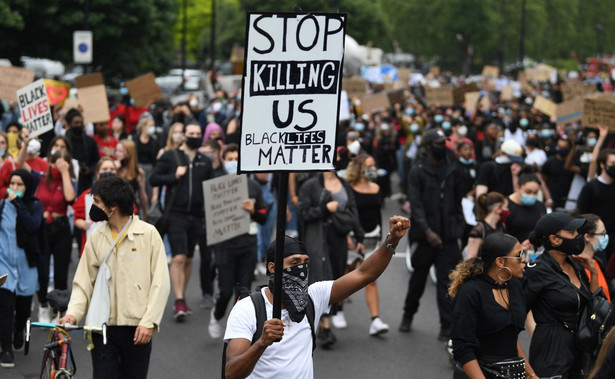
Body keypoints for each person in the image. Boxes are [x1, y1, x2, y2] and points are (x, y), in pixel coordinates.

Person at [223, 216, 410, 379]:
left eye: (305, 262)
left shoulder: (313, 297)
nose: (301, 269)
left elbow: (364, 274)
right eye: (294, 263)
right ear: (272, 268)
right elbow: (231, 372)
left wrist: (391, 241)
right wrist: (261, 343)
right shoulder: (248, 309)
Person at [59, 176, 170, 379]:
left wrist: (149, 321)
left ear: (113, 206)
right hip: (101, 328)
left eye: (97, 202)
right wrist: (73, 313)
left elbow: (160, 283)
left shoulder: (149, 234)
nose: (93, 206)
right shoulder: (95, 237)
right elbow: (84, 281)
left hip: (138, 329)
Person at [400, 129, 464, 341]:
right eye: (438, 143)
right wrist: (428, 231)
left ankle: (446, 326)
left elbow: (457, 200)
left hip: (448, 236)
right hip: (424, 236)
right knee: (418, 279)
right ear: (428, 147)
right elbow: (415, 206)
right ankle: (408, 314)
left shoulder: (452, 167)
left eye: (444, 142)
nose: (442, 146)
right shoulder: (417, 171)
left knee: (447, 282)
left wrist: (459, 229)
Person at [150, 123, 214, 320]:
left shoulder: (205, 161)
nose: (194, 136)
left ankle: (182, 297)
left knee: (187, 259)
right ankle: (178, 300)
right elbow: (154, 179)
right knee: (178, 257)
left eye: (197, 133)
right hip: (175, 214)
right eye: (191, 133)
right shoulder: (171, 156)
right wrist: (173, 175)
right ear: (184, 135)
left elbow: (211, 187)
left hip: (196, 215)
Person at [449, 233, 536, 379]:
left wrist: (532, 375)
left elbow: (510, 337)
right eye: (518, 255)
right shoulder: (471, 292)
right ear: (500, 262)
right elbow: (463, 348)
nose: (524, 260)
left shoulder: (515, 286)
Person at [297, 168, 365, 347]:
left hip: (339, 238)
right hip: (317, 237)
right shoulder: (310, 185)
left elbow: (353, 211)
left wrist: (359, 237)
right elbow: (303, 213)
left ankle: (326, 316)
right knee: (321, 276)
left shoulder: (344, 185)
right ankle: (325, 326)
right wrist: (324, 209)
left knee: (336, 275)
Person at [525, 212, 597, 378]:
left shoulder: (576, 265)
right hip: (551, 354)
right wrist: (527, 369)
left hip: (580, 352)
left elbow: (593, 305)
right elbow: (515, 317)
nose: (578, 237)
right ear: (554, 239)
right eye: (572, 233)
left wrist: (593, 273)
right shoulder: (537, 271)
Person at [208, 144, 268, 338]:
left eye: (237, 158)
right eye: (230, 158)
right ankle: (217, 315)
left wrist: (253, 210)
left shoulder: (253, 185)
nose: (234, 162)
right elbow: (208, 217)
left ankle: (237, 330)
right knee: (225, 291)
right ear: (224, 160)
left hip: (248, 244)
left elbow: (263, 216)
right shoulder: (216, 185)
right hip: (225, 246)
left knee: (243, 292)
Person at [342, 154, 390, 336]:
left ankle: (375, 320)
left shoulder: (376, 187)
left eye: (374, 165)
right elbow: (346, 213)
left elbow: (378, 214)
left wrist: (382, 237)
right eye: (369, 165)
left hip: (372, 236)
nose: (373, 168)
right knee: (347, 273)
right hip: (353, 237)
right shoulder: (349, 188)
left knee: (371, 277)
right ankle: (337, 311)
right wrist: (347, 235)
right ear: (360, 168)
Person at [0, 169, 43, 368]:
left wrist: (18, 205)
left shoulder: (34, 205)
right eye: (12, 184)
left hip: (27, 265)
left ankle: (19, 331)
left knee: (23, 309)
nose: (15, 188)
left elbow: (33, 225)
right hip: (4, 263)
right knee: (5, 306)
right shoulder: (2, 206)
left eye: (20, 185)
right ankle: (6, 349)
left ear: (27, 187)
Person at [576, 149, 615, 269]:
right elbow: (582, 213)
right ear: (603, 164)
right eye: (612, 163)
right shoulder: (591, 187)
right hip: (595, 238)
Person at [73, 157, 118, 256]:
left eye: (112, 169)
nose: (108, 172)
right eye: (105, 169)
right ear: (97, 173)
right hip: (92, 246)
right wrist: (82, 224)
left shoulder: (123, 194)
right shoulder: (87, 195)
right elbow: (77, 218)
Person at [64, 108, 100, 194]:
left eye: (81, 123)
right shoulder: (64, 142)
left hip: (87, 182)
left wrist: (90, 169)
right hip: (70, 179)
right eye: (76, 123)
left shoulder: (90, 141)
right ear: (69, 124)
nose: (79, 125)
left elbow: (97, 161)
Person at [464, 192, 508, 259]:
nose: (508, 210)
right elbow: (471, 258)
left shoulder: (501, 226)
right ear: (497, 209)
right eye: (506, 207)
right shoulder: (479, 229)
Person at [506, 174, 546, 245]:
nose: (532, 195)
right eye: (528, 192)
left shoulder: (540, 206)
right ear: (518, 187)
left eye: (535, 192)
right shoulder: (506, 206)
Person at [578, 213, 611, 301]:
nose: (605, 237)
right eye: (602, 234)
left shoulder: (598, 262)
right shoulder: (576, 266)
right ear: (587, 237)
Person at [115, 140, 149, 221]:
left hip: (132, 210)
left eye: (120, 151)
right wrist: (113, 170)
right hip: (115, 210)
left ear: (129, 153)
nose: (117, 153)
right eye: (116, 150)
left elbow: (142, 195)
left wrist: (146, 213)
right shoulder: (113, 168)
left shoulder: (138, 172)